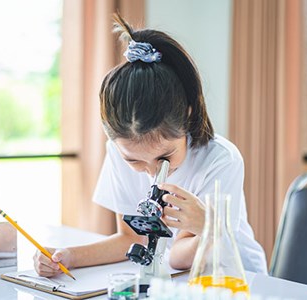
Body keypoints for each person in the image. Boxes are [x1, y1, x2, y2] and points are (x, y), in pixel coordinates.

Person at [33, 13, 268, 277]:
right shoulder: (117, 151)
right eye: (133, 161)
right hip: (180, 278)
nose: (152, 171)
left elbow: (180, 257)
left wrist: (209, 225)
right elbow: (131, 239)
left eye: (164, 158)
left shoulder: (220, 160)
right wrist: (67, 257)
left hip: (239, 277)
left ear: (188, 116)